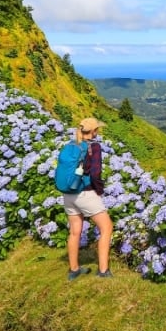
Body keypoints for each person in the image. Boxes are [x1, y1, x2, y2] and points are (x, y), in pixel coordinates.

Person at [63, 117, 114, 280]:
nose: (98, 132)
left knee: (74, 232)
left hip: (68, 193)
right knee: (106, 228)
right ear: (93, 132)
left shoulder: (71, 145)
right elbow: (95, 173)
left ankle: (74, 270)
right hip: (85, 193)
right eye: (97, 129)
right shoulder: (94, 147)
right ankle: (104, 271)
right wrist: (99, 190)